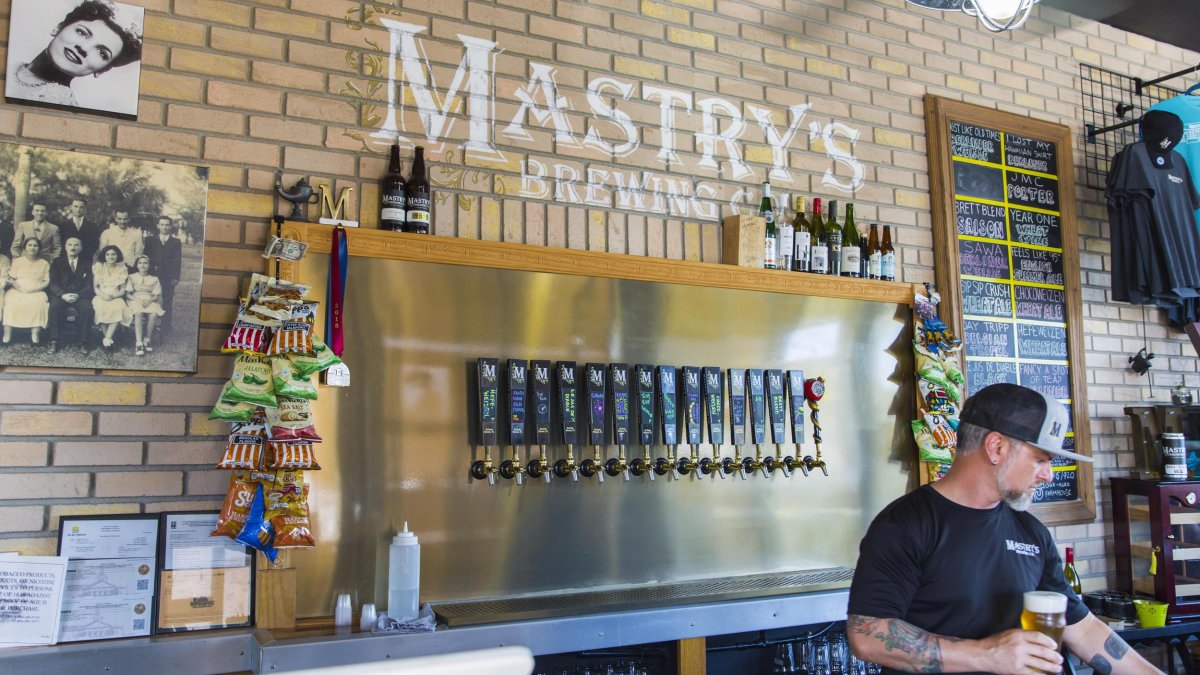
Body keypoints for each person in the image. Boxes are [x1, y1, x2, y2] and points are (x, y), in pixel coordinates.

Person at [847, 383, 1159, 675]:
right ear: (996, 447)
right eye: (1040, 460)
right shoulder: (905, 524)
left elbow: (1084, 629)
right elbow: (868, 633)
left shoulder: (1031, 532)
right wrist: (985, 654)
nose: (1048, 475)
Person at [8, 0, 142, 108]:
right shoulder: (10, 66)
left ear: (103, 70)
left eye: (102, 52)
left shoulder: (61, 106)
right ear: (59, 27)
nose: (83, 48)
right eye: (82, 33)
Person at [48, 236, 94, 352]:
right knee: (54, 306)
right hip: (62, 295)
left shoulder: (86, 264)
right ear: (65, 247)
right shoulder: (57, 262)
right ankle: (54, 340)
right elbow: (53, 283)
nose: (73, 248)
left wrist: (78, 295)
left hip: (79, 295)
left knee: (87, 308)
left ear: (81, 248)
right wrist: (62, 295)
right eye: (70, 245)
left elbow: (89, 285)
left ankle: (83, 342)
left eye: (76, 245)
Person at [2, 238, 51, 345]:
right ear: (24, 248)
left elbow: (47, 281)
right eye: (29, 245)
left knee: (39, 303)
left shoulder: (44, 263)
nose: (32, 248)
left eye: (35, 245)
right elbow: (11, 278)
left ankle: (35, 335)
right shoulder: (18, 261)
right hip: (18, 289)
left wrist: (36, 289)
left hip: (36, 290)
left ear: (39, 248)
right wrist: (19, 288)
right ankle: (7, 335)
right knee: (10, 302)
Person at [141, 216, 181, 328]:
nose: (164, 227)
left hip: (168, 275)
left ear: (171, 226)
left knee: (167, 300)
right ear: (158, 226)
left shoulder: (175, 242)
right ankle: (147, 323)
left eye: (167, 225)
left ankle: (166, 325)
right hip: (153, 274)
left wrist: (175, 277)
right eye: (162, 224)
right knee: (149, 297)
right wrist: (146, 273)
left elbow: (177, 260)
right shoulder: (150, 240)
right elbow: (145, 257)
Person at [91, 244, 131, 350]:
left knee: (118, 308)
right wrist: (103, 295)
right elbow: (95, 287)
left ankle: (107, 339)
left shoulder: (122, 269)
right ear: (104, 256)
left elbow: (123, 290)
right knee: (100, 308)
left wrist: (114, 296)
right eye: (108, 254)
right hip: (101, 295)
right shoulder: (98, 267)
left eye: (113, 254)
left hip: (116, 295)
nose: (111, 257)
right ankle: (108, 339)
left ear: (117, 256)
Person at [124, 254, 163, 356]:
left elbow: (156, 295)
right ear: (137, 265)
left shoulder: (154, 279)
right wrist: (138, 300)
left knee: (153, 313)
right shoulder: (131, 277)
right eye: (140, 263)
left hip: (149, 299)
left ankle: (147, 339)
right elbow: (128, 294)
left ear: (149, 265)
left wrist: (150, 300)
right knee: (138, 312)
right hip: (135, 299)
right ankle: (139, 342)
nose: (142, 265)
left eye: (145, 263)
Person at [60, 197, 100, 264]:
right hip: (67, 261)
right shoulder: (63, 225)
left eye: (81, 207)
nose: (78, 209)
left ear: (85, 209)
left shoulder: (92, 226)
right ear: (71, 208)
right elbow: (61, 244)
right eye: (76, 206)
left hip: (86, 261)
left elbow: (94, 245)